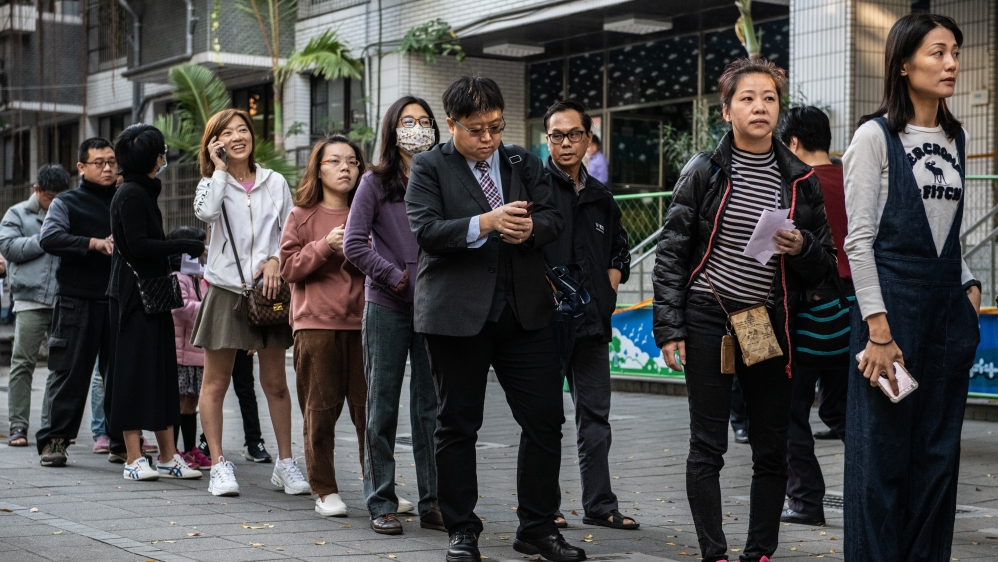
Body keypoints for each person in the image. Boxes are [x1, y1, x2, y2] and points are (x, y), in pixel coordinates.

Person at [652, 58, 836, 562]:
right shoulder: (704, 170)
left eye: (770, 98)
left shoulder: (800, 178)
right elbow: (671, 251)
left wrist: (801, 247)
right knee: (708, 444)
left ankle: (759, 552)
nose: (760, 106)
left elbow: (826, 265)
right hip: (709, 310)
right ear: (727, 109)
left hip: (763, 322)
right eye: (748, 98)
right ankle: (714, 553)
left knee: (770, 445)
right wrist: (670, 328)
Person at [405, 76, 584, 562]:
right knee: (458, 424)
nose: (488, 139)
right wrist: (485, 222)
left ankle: (538, 528)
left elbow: (554, 218)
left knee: (546, 420)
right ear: (452, 125)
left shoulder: (523, 162)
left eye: (495, 128)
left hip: (524, 313)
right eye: (477, 130)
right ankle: (462, 529)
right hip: (455, 316)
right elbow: (425, 230)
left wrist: (529, 228)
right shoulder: (428, 167)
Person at [842, 14, 980, 560]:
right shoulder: (873, 136)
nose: (950, 64)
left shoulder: (955, 135)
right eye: (937, 53)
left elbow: (952, 230)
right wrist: (878, 329)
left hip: (948, 307)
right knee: (882, 454)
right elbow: (859, 240)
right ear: (903, 64)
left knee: (938, 455)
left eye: (954, 53)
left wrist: (969, 286)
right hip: (891, 308)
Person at [192, 108, 308, 497]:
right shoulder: (211, 183)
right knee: (216, 381)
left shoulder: (274, 182)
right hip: (226, 289)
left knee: (276, 382)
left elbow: (290, 231)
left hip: (268, 290)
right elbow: (206, 213)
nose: (238, 136)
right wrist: (219, 170)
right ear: (215, 142)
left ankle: (286, 464)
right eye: (228, 133)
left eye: (243, 129)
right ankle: (219, 465)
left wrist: (276, 259)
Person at [343, 96, 442, 535]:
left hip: (436, 307)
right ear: (393, 128)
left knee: (431, 411)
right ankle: (380, 500)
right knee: (381, 407)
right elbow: (353, 243)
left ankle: (434, 502)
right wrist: (395, 277)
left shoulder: (443, 179)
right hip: (386, 306)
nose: (417, 128)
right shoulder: (375, 182)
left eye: (424, 121)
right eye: (408, 121)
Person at [540, 99, 635, 531]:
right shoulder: (535, 190)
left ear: (587, 138)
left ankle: (600, 505)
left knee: (595, 418)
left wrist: (608, 288)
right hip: (544, 325)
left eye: (573, 135)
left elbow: (620, 247)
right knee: (544, 418)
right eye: (556, 135)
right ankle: (544, 506)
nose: (565, 143)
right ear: (547, 140)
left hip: (593, 324)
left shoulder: (601, 197)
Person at [106, 124, 205, 480]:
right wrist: (182, 245)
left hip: (153, 295)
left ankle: (168, 455)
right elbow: (138, 246)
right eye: (161, 152)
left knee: (161, 372)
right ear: (152, 157)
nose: (164, 157)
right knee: (133, 373)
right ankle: (134, 458)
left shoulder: (141, 191)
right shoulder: (131, 194)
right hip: (135, 297)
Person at [280, 135, 367, 517]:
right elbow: (287, 268)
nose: (345, 167)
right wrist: (326, 246)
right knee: (320, 409)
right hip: (315, 324)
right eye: (335, 161)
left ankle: (379, 489)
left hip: (366, 322)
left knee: (371, 412)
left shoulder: (369, 211)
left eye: (352, 161)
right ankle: (325, 489)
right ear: (318, 169)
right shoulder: (302, 215)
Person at [776, 106, 850, 527]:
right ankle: (871, 486)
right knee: (842, 410)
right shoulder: (855, 180)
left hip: (807, 312)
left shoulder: (797, 185)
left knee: (790, 410)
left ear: (794, 144)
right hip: (854, 311)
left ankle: (805, 501)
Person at [34, 138, 125, 467]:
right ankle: (54, 442)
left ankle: (121, 443)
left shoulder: (124, 199)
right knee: (69, 373)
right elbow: (49, 237)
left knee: (118, 374)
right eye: (99, 162)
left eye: (112, 162)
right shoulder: (67, 202)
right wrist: (93, 243)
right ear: (82, 167)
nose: (107, 168)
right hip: (76, 300)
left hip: (117, 300)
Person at [0, 164, 68, 447]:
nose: (54, 203)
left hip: (63, 298)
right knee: (22, 363)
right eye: (48, 196)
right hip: (29, 299)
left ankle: (51, 427)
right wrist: (45, 237)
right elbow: (9, 248)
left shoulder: (68, 211)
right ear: (36, 190)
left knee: (60, 366)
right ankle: (18, 426)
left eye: (58, 197)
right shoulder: (17, 213)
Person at [168, 226, 213, 469]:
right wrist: (206, 310)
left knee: (191, 403)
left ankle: (190, 448)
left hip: (198, 354)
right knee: (179, 401)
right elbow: (179, 308)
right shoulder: (177, 278)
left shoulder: (200, 279)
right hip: (180, 353)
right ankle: (173, 449)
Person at [196, 350, 273, 463]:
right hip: (220, 341)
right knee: (214, 392)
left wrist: (252, 339)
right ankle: (207, 441)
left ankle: (254, 442)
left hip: (241, 341)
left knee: (246, 391)